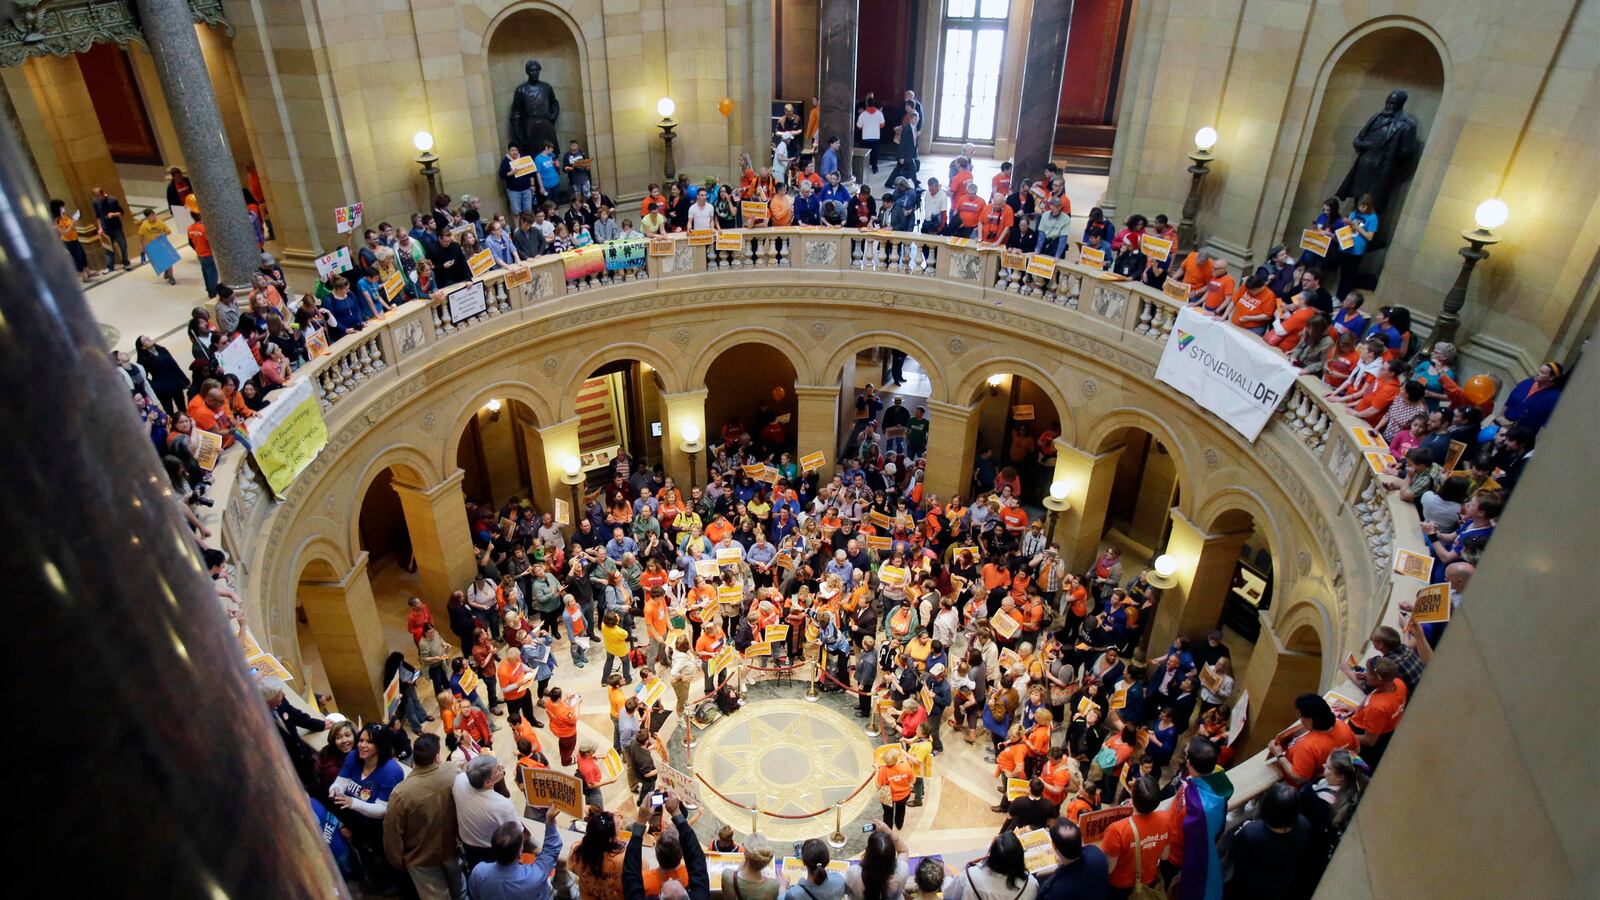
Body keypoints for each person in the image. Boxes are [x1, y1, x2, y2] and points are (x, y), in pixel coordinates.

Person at [382, 734, 464, 899]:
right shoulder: (451, 772)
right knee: (461, 892)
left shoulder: (401, 793)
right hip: (452, 848)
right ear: (437, 757)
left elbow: (391, 835)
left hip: (421, 859)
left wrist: (400, 861)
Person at [329, 724, 407, 891]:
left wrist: (352, 802)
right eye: (361, 740)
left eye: (369, 742)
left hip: (380, 829)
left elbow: (382, 810)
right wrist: (334, 790)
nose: (362, 745)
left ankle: (394, 886)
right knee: (366, 856)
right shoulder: (353, 757)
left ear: (380, 745)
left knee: (386, 858)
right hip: (356, 823)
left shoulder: (391, 771)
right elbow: (340, 782)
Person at [1224, 783, 1309, 900]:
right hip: (1282, 880)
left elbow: (1233, 854)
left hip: (1250, 883)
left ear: (1266, 807)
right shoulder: (1304, 824)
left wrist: (1242, 830)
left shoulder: (1251, 834)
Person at [623, 790, 710, 900]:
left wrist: (641, 820)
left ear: (658, 895)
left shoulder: (646, 881)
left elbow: (630, 873)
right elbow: (696, 857)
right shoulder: (697, 892)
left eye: (666, 882)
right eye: (677, 881)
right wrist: (676, 812)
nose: (670, 879)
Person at [1100, 777, 1170, 899]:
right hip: (1149, 880)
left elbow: (1108, 869)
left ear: (1132, 797)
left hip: (1121, 887)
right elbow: (1164, 856)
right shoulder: (1166, 819)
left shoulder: (1117, 829)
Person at [469, 814, 564, 900]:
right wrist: (550, 820)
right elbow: (551, 850)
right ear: (520, 853)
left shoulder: (478, 872)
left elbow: (475, 895)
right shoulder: (534, 876)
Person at [261, 676, 327, 797]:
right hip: (289, 769)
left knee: (318, 786)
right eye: (279, 694)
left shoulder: (281, 702)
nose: (284, 694)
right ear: (268, 702)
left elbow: (295, 715)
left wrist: (321, 725)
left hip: (304, 758)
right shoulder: (260, 720)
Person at [454, 754, 520, 871]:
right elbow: (517, 834)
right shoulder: (503, 805)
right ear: (488, 783)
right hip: (489, 850)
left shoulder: (460, 780)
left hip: (466, 842)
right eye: (499, 769)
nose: (503, 767)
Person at [953, 832, 1038, 900]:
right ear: (1020, 857)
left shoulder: (970, 875)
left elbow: (950, 893)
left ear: (992, 855)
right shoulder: (1030, 884)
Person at [845, 822, 910, 899]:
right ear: (892, 856)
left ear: (867, 852)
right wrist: (889, 831)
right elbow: (903, 850)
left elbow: (846, 890)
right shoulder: (901, 872)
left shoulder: (854, 873)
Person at [574, 809, 628, 900]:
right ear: (612, 839)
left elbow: (570, 867)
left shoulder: (576, 850)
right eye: (618, 825)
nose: (620, 824)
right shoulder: (623, 859)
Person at [783, 838, 847, 900]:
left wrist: (782, 888)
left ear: (803, 862)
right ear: (827, 861)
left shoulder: (794, 894)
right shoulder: (839, 880)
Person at [721, 834, 779, 900]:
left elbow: (734, 877)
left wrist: (745, 861)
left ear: (745, 854)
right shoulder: (773, 886)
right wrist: (783, 888)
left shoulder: (727, 875)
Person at [92, 187, 132, 271]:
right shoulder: (96, 202)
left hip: (116, 226)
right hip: (105, 228)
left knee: (123, 245)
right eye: (97, 197)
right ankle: (110, 266)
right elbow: (98, 216)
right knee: (108, 248)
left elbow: (121, 212)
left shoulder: (113, 200)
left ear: (103, 193)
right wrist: (100, 228)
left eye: (100, 196)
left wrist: (113, 214)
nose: (99, 198)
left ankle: (126, 262)